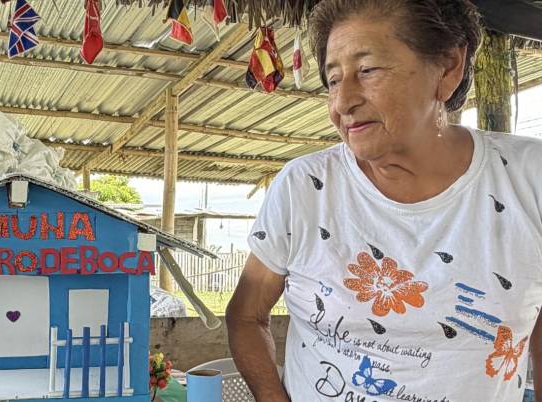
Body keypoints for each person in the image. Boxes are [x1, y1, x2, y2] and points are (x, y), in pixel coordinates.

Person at [226, 1, 542, 401]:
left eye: (368, 70)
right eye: (334, 80)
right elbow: (246, 316)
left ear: (448, 67)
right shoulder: (304, 188)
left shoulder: (530, 180)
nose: (343, 103)